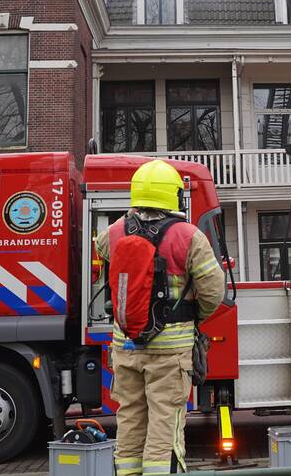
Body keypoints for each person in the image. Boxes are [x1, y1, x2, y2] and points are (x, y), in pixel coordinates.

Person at [96, 160, 225, 475]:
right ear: (175, 196)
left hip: (125, 347)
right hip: (170, 353)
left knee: (129, 420)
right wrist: (193, 319)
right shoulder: (188, 236)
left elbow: (104, 266)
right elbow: (213, 293)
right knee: (164, 423)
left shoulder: (112, 233)